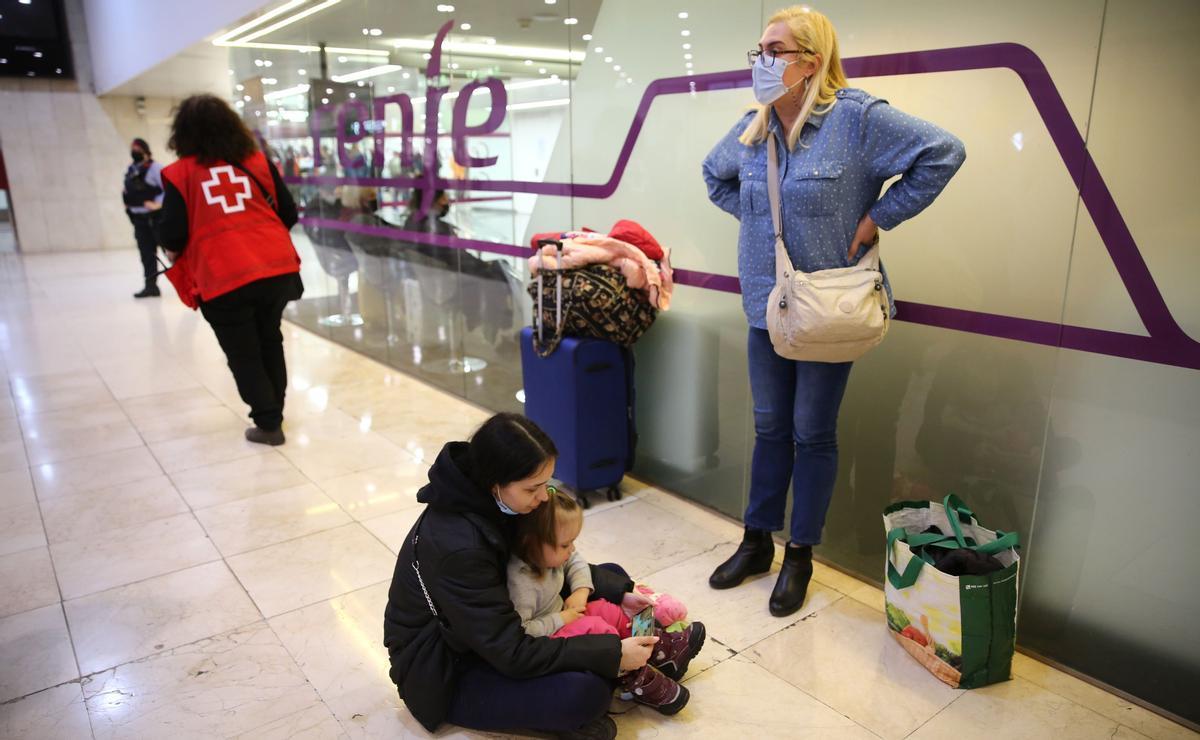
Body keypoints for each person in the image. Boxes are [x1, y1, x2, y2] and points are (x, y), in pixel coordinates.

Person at [701, 6, 966, 616]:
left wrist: (879, 218)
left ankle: (800, 554)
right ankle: (755, 542)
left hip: (829, 310)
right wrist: (763, 223)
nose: (761, 61)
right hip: (766, 307)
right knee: (769, 428)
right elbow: (714, 177)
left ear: (810, 61)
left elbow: (944, 152)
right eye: (758, 50)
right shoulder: (752, 127)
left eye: (774, 50)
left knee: (811, 433)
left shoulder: (858, 120)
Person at [383, 413, 659, 740]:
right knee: (584, 693)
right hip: (449, 669)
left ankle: (635, 653)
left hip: (499, 623)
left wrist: (623, 591)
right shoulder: (460, 547)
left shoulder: (499, 503)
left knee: (612, 575)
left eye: (547, 483)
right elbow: (511, 651)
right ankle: (618, 669)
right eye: (533, 488)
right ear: (495, 483)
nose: (544, 497)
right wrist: (611, 653)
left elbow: (549, 560)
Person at [156, 94, 303, 446]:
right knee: (270, 339)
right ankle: (274, 412)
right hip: (275, 268)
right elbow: (289, 214)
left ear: (184, 132)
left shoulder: (179, 174)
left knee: (243, 351)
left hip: (223, 275)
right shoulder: (257, 162)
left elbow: (173, 234)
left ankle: (268, 424)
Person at [508, 488, 705, 715]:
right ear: (530, 542)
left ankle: (663, 652)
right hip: (549, 636)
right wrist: (560, 618)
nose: (571, 549)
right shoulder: (521, 583)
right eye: (565, 545)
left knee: (606, 609)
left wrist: (581, 590)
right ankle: (638, 681)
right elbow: (522, 631)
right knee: (600, 630)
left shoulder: (551, 551)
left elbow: (575, 561)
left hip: (566, 613)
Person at [122, 138, 165, 298]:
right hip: (139, 219)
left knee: (170, 252)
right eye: (132, 148)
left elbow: (167, 190)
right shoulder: (131, 169)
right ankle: (151, 286)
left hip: (156, 218)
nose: (134, 151)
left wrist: (157, 204)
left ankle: (191, 284)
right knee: (146, 254)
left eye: (137, 149)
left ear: (145, 151)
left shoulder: (156, 168)